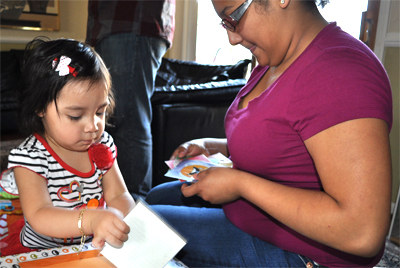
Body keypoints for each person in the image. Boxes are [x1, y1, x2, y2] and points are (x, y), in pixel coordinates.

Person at [145, 0, 393, 267]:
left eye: (234, 17)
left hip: (304, 255)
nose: (231, 38)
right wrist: (217, 146)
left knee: (144, 230)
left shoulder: (342, 74)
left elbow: (362, 233)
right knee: (157, 197)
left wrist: (240, 184)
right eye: (225, 23)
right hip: (253, 217)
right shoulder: (276, 55)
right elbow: (291, 140)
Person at [0, 37, 135, 256]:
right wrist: (91, 220)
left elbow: (119, 195)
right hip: (41, 252)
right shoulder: (30, 157)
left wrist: (124, 221)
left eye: (100, 112)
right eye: (75, 116)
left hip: (94, 246)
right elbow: (39, 216)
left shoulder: (102, 144)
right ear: (39, 108)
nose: (93, 126)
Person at [86, 0, 176, 199]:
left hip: (131, 21)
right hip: (116, 24)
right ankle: (121, 201)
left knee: (129, 120)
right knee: (118, 119)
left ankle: (135, 207)